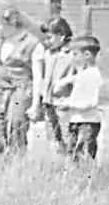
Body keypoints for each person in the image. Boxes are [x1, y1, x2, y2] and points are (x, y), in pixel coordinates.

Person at [0, 7, 40, 154]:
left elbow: (37, 76)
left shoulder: (32, 43)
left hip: (21, 90)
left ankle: (16, 167)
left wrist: (36, 104)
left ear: (12, 23)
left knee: (15, 129)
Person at [49, 35, 104, 160]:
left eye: (75, 54)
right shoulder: (82, 74)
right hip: (76, 120)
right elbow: (75, 81)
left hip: (88, 123)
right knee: (72, 152)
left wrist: (69, 104)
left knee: (83, 153)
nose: (72, 58)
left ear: (87, 55)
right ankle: (73, 175)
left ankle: (86, 175)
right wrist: (65, 82)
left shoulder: (93, 75)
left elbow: (90, 102)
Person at [32, 16, 76, 153]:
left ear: (62, 36)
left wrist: (66, 83)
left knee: (68, 137)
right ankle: (59, 166)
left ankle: (74, 167)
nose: (46, 41)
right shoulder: (47, 52)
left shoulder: (73, 54)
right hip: (49, 101)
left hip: (66, 103)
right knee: (53, 138)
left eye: (50, 37)